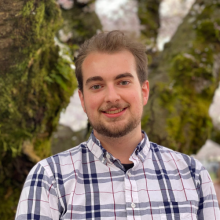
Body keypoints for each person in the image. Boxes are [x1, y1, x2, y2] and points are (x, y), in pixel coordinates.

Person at [16, 31, 219, 220]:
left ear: (144, 91)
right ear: (83, 99)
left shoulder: (194, 176)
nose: (112, 97)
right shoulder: (49, 178)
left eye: (123, 82)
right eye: (97, 86)